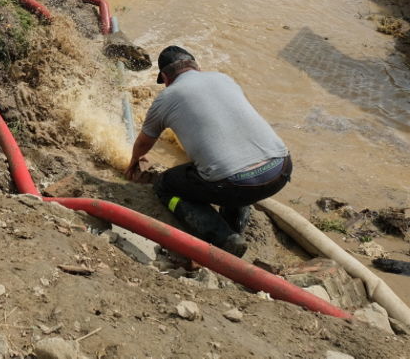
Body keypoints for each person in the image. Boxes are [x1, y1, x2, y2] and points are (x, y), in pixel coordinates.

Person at [124, 45, 292, 257]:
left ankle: (225, 239)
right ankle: (234, 227)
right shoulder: (224, 79)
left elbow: (144, 142)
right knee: (229, 174)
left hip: (236, 184)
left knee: (165, 186)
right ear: (196, 67)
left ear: (165, 77)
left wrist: (133, 161)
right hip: (281, 168)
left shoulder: (167, 97)